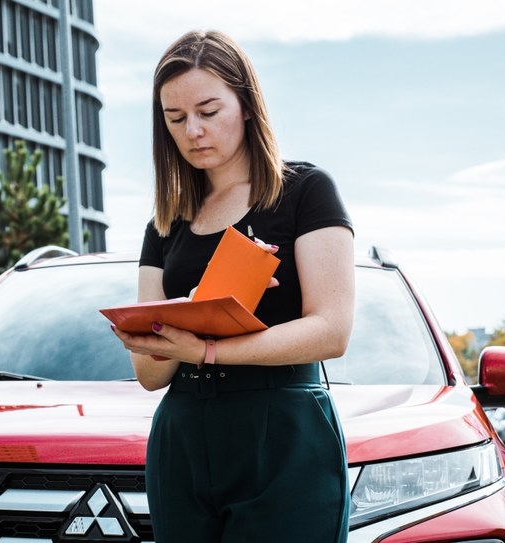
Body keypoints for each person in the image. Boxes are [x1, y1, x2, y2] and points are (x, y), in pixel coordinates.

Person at [111, 30, 355, 543]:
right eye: (175, 119)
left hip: (283, 429)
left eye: (208, 110)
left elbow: (332, 331)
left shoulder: (306, 192)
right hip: (182, 434)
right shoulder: (165, 224)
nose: (193, 130)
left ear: (246, 104)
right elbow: (150, 376)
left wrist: (206, 348)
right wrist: (165, 333)